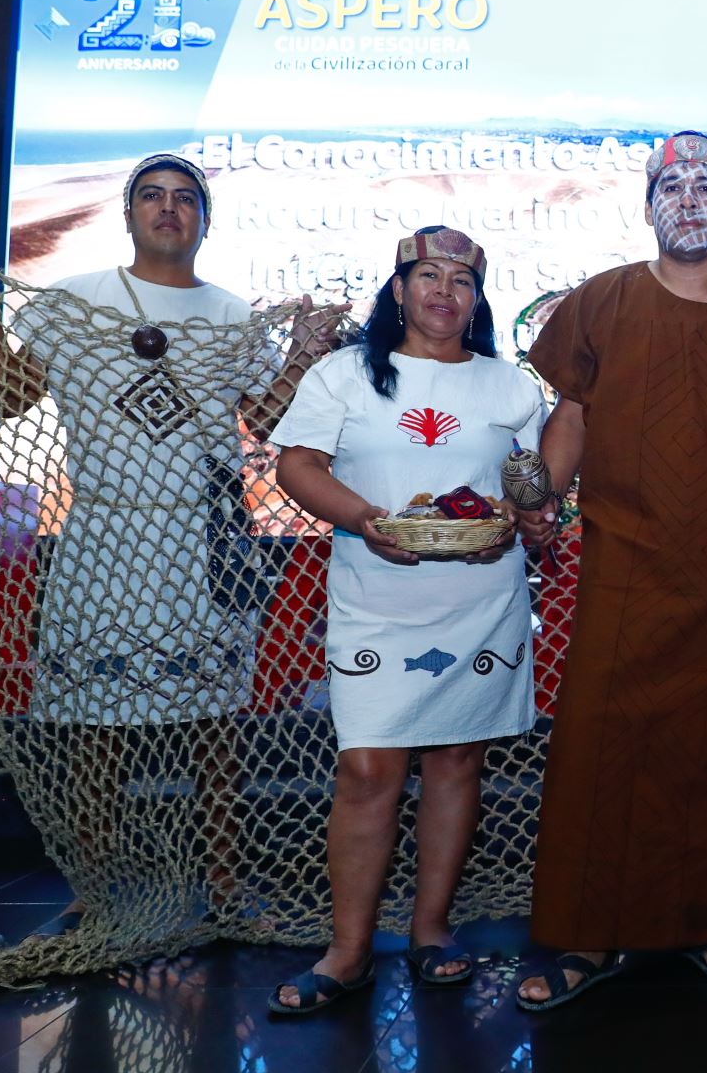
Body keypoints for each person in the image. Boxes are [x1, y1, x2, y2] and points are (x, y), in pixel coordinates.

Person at [0, 153, 344, 943]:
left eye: (185, 198)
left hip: (207, 536)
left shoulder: (231, 314)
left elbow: (264, 419)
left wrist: (306, 347)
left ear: (203, 220)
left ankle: (224, 883)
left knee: (216, 724)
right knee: (96, 722)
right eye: (152, 197)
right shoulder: (74, 300)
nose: (168, 209)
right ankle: (96, 885)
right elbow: (14, 394)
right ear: (128, 215)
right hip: (103, 535)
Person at [511, 131, 707, 1009]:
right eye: (672, 186)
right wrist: (544, 501)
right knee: (599, 750)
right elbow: (571, 417)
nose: (690, 199)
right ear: (647, 205)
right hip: (621, 560)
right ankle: (585, 937)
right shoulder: (601, 301)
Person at [266, 225, 544, 1014]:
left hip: (482, 599)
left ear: (478, 298)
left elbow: (527, 487)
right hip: (375, 599)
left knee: (458, 762)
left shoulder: (509, 385)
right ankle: (348, 950)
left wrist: (528, 518)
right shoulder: (344, 374)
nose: (445, 291)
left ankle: (431, 931)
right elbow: (297, 464)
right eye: (428, 274)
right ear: (398, 289)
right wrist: (365, 518)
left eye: (462, 279)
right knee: (368, 770)